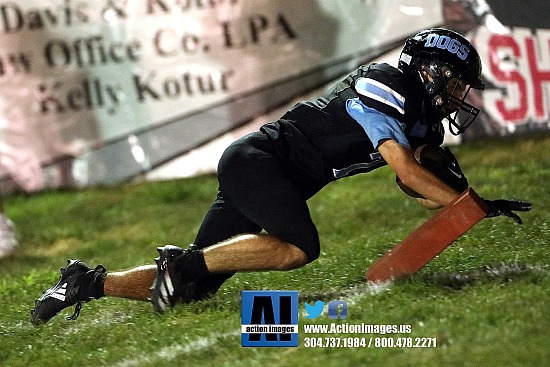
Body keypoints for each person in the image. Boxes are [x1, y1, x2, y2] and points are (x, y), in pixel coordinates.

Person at [30, 28, 531, 325]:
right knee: (299, 248)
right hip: (260, 162)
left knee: (193, 290)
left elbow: (418, 188)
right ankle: (183, 261)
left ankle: (85, 284)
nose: (461, 93)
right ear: (430, 70)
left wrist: (464, 198)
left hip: (277, 177)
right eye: (457, 81)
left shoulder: (421, 122)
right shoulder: (388, 84)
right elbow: (401, 166)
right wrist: (467, 203)